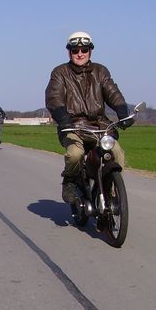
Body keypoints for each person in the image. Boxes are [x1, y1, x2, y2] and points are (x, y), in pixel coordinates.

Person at [44, 31, 132, 204]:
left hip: (100, 126)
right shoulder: (60, 72)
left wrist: (123, 111)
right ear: (69, 52)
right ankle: (69, 180)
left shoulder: (100, 71)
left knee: (116, 152)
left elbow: (113, 92)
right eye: (75, 50)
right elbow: (54, 98)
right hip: (73, 126)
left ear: (90, 51)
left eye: (84, 50)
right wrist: (63, 118)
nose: (80, 54)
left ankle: (113, 192)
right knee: (75, 154)